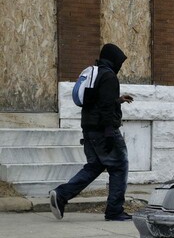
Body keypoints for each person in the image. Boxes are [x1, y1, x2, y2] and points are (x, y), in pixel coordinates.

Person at [50, 43, 134, 221]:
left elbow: (97, 102)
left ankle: (61, 195)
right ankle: (114, 211)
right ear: (113, 60)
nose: (120, 66)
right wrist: (110, 133)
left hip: (89, 129)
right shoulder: (109, 77)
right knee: (119, 166)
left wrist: (118, 100)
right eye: (120, 62)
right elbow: (104, 108)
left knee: (95, 166)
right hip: (104, 130)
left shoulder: (95, 74)